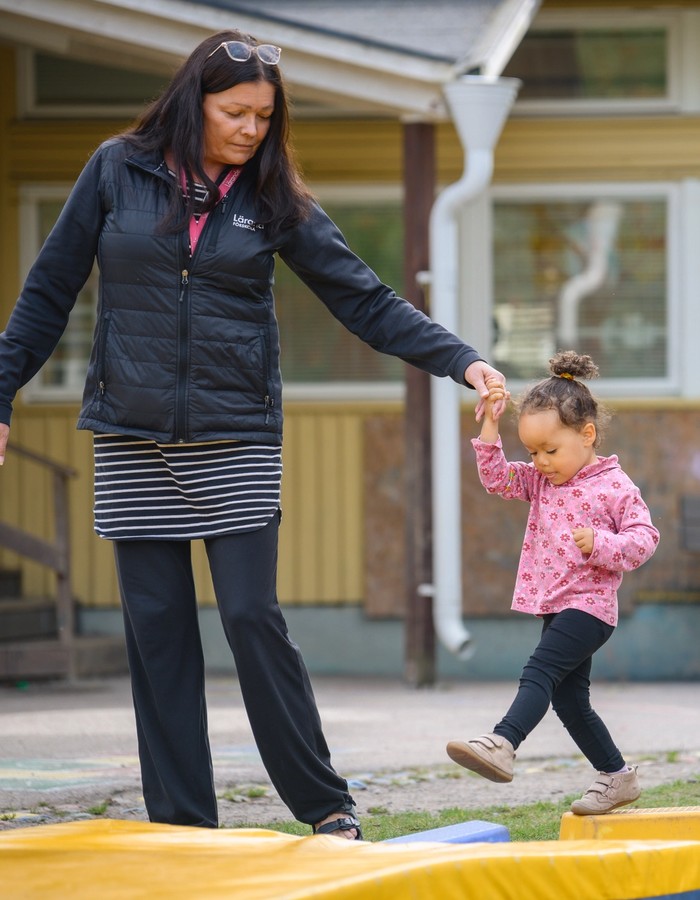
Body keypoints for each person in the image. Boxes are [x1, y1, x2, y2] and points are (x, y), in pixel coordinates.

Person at [0, 29, 507, 839]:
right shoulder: (116, 169)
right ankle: (181, 825)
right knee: (158, 635)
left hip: (235, 435)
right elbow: (49, 289)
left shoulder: (273, 196)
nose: (250, 129)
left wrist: (463, 360)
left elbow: (364, 299)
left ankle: (326, 806)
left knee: (250, 617)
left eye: (264, 117)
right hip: (131, 436)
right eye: (235, 112)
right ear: (192, 101)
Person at [446, 350, 659, 815]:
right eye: (532, 452)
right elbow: (498, 479)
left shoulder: (615, 486)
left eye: (550, 450)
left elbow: (645, 539)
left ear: (587, 435)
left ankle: (503, 742)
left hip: (590, 608)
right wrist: (490, 426)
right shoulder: (543, 482)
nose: (540, 462)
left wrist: (601, 543)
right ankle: (617, 777)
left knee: (539, 671)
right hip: (557, 607)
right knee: (569, 701)